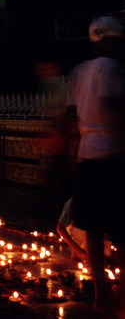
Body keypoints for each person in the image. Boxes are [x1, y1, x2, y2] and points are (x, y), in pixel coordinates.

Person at [66, 16, 125, 316]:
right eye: (114, 39)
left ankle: (101, 294)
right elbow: (112, 108)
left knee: (93, 228)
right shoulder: (111, 68)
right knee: (119, 227)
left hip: (86, 156)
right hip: (111, 155)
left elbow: (70, 116)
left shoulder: (78, 72)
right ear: (102, 40)